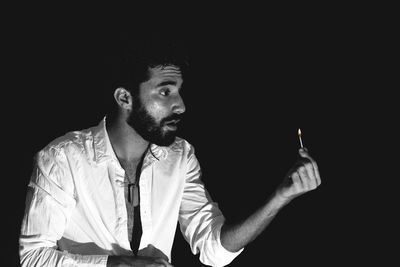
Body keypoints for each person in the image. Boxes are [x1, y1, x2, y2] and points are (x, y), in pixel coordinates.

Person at [19, 34, 321, 267]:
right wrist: (117, 264)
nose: (181, 105)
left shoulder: (181, 157)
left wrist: (280, 197)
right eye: (165, 91)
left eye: (178, 91)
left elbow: (214, 250)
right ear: (125, 98)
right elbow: (32, 258)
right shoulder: (62, 158)